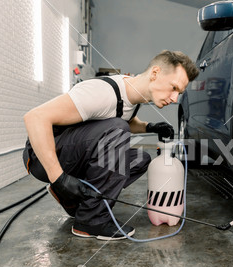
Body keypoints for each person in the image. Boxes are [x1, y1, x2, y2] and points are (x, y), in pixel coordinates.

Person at [22, 50, 199, 241]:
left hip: (73, 154)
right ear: (155, 73)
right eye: (173, 88)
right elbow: (35, 117)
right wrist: (58, 178)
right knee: (117, 129)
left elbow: (120, 118)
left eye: (179, 93)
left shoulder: (134, 96)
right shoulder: (101, 92)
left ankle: (79, 203)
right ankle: (91, 221)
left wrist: (150, 127)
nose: (174, 99)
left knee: (140, 160)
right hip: (42, 157)